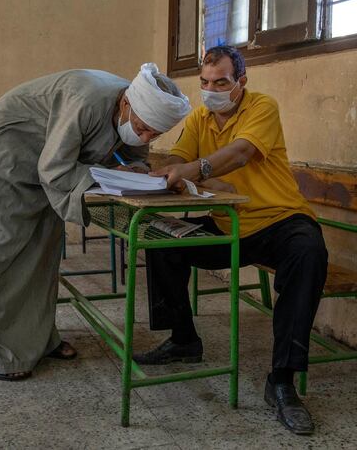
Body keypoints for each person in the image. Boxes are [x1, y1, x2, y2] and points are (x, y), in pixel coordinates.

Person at [134, 46, 328, 435]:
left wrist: (197, 170)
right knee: (159, 241)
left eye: (220, 82)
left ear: (241, 82)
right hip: (229, 223)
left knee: (308, 251)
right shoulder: (200, 118)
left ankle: (282, 381)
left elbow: (241, 154)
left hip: (279, 220)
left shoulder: (262, 107)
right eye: (205, 82)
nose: (211, 90)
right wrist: (150, 168)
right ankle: (184, 340)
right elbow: (178, 157)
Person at [0, 63, 190, 381]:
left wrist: (140, 171)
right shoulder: (86, 101)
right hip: (7, 161)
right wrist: (111, 175)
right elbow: (54, 168)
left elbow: (135, 156)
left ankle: (38, 340)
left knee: (41, 255)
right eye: (143, 128)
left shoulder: (140, 110)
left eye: (155, 133)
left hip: (45, 170)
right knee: (0, 253)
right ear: (126, 104)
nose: (146, 135)